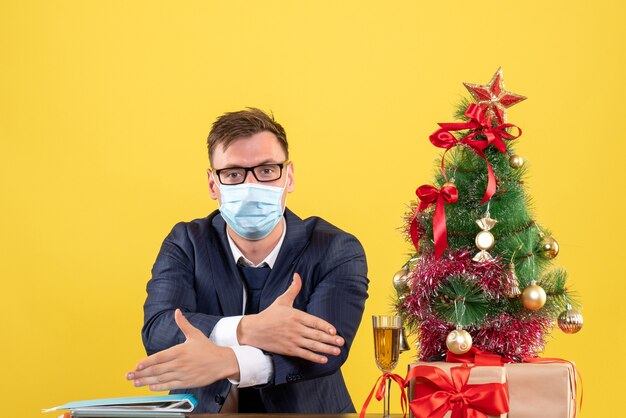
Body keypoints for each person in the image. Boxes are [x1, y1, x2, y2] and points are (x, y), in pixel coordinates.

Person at [126, 108, 369, 413]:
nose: (251, 186)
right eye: (233, 174)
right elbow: (159, 330)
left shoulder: (334, 248)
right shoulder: (185, 242)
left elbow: (327, 351)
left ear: (289, 176)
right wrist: (247, 329)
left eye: (267, 170)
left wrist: (229, 362)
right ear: (213, 184)